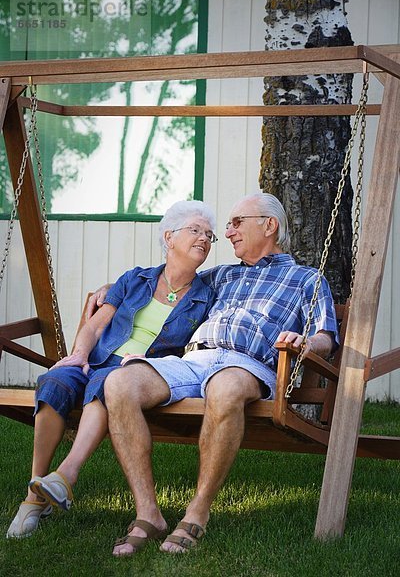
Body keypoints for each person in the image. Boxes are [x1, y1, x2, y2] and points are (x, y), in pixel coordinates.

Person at [88, 192, 339, 557]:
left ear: (269, 226)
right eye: (228, 226)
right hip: (194, 360)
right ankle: (148, 513)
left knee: (224, 387)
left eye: (237, 223)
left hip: (248, 365)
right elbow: (168, 280)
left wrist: (304, 342)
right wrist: (117, 290)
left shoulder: (305, 279)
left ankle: (196, 512)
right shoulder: (221, 276)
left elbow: (326, 336)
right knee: (120, 382)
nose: (228, 232)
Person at [6, 200, 217, 539]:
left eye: (209, 234)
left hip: (137, 371)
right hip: (99, 357)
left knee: (107, 384)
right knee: (55, 382)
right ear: (169, 237)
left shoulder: (206, 297)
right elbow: (95, 326)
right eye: (195, 230)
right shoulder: (135, 279)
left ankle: (65, 477)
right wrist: (78, 354)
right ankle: (36, 492)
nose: (204, 238)